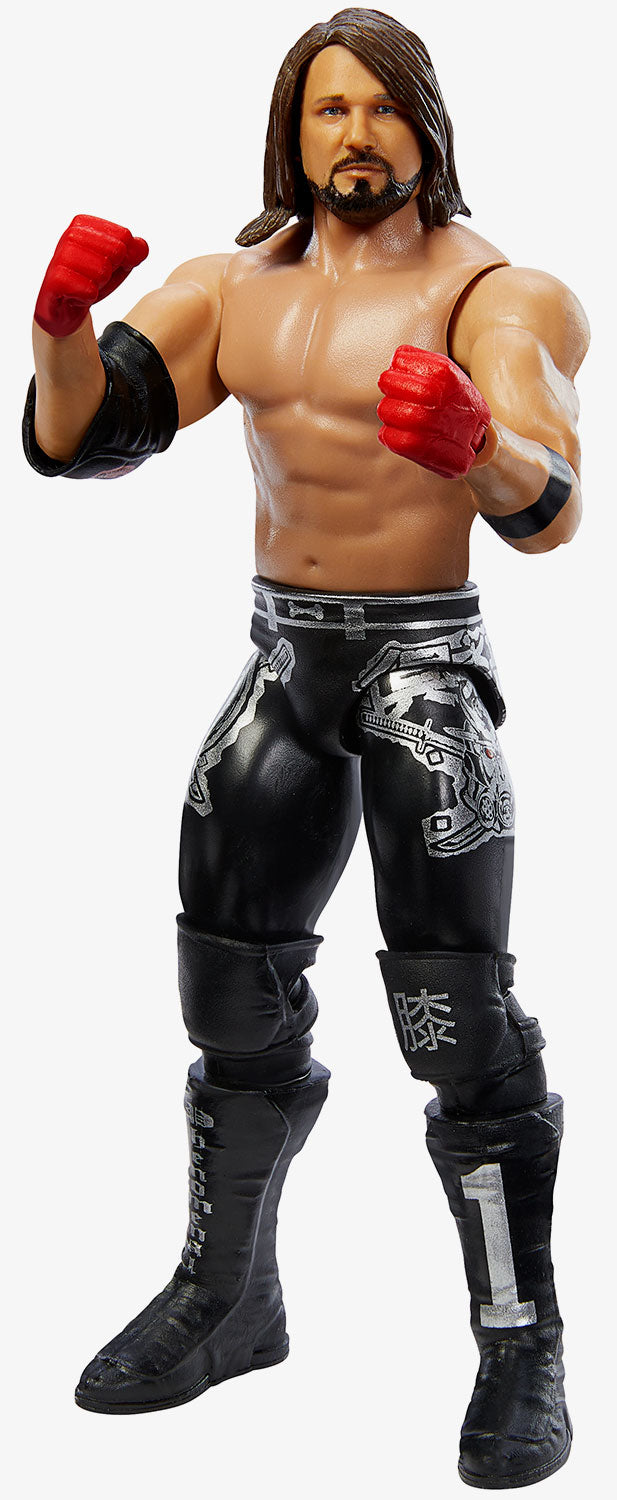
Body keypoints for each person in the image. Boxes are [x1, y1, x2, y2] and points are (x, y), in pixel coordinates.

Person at [23, 7, 588, 1488]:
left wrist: (478, 445)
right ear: (292, 131)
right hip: (284, 664)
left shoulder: (497, 296)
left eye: (381, 108)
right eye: (329, 109)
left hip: (424, 675)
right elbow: (81, 440)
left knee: (458, 1021)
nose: (355, 135)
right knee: (225, 989)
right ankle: (230, 1300)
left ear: (425, 127)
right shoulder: (233, 292)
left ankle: (519, 1340)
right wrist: (60, 328)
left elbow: (553, 507)